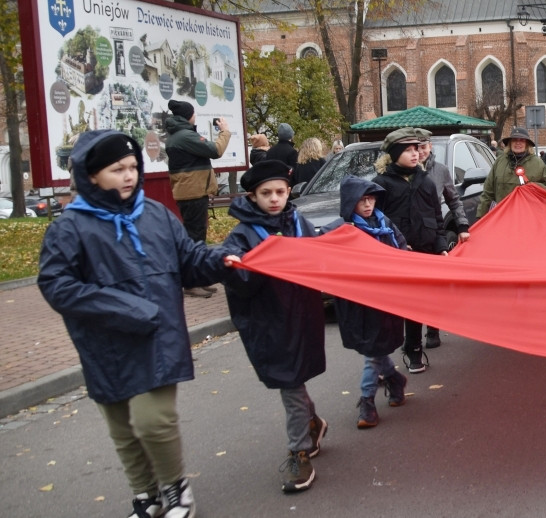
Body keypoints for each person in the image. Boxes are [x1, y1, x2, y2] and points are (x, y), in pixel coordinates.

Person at [38, 130, 237, 518]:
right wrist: (124, 308)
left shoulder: (156, 214)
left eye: (133, 167)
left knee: (153, 422)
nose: (129, 176)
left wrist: (223, 259)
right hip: (104, 345)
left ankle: (176, 490)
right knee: (123, 430)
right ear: (91, 175)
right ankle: (147, 495)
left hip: (157, 337)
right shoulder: (70, 227)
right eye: (117, 169)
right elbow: (57, 286)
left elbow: (190, 260)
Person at [222, 160, 328, 494]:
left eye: (280, 192)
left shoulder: (299, 222)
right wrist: (236, 266)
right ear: (252, 196)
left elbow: (321, 256)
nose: (274, 199)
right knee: (290, 382)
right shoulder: (241, 235)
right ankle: (300, 450)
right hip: (269, 323)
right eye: (266, 193)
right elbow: (237, 277)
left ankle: (313, 424)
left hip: (302, 316)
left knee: (293, 379)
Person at [323, 176, 409, 429]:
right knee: (373, 350)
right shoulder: (341, 231)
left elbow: (401, 249)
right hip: (358, 302)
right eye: (362, 200)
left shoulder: (385, 224)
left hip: (385, 298)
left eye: (371, 198)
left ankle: (373, 397)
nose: (368, 204)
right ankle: (386, 386)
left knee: (374, 351)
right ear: (351, 203)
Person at [373, 127, 449, 374]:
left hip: (426, 248)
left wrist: (440, 246)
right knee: (401, 304)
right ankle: (400, 351)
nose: (415, 154)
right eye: (407, 150)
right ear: (394, 154)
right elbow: (377, 219)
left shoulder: (425, 181)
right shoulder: (381, 184)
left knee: (422, 299)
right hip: (398, 253)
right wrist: (392, 243)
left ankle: (417, 347)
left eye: (416, 149)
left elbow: (437, 216)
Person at [164, 99, 230, 299]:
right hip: (192, 193)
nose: (196, 116)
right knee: (194, 238)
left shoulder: (180, 135)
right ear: (188, 116)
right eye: (193, 113)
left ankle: (199, 278)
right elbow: (215, 150)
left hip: (192, 191)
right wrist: (224, 131)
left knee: (198, 236)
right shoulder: (185, 136)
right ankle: (191, 282)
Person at [416, 134, 471, 348]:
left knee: (431, 285)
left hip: (433, 231)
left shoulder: (440, 170)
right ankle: (411, 335)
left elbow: (454, 200)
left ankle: (432, 329)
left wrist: (462, 225)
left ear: (430, 146)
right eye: (415, 147)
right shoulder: (402, 172)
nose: (419, 152)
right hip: (408, 234)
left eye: (423, 146)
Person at [478, 126, 546, 216]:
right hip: (503, 216)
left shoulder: (537, 163)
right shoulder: (500, 161)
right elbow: (488, 192)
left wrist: (533, 187)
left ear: (527, 144)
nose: (518, 143)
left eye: (522, 140)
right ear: (510, 143)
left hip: (529, 217)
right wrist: (481, 217)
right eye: (515, 140)